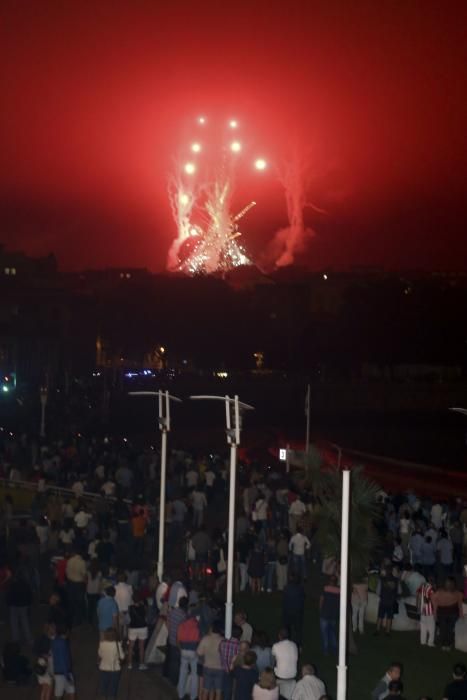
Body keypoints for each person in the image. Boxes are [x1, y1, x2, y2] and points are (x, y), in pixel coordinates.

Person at [432, 577, 464, 651]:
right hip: (449, 613)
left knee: (446, 629)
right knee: (447, 629)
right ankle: (446, 644)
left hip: (447, 613)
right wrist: (435, 613)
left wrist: (435, 614)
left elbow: (460, 605)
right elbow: (460, 605)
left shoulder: (440, 592)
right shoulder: (457, 593)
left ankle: (446, 644)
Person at [177, 609, 201, 700]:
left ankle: (180, 694)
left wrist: (181, 650)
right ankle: (193, 696)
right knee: (195, 674)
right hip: (193, 651)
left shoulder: (182, 624)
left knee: (182, 672)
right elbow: (199, 640)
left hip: (183, 650)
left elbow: (178, 640)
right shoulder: (197, 625)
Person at [197, 620, 223, 700]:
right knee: (218, 692)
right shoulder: (223, 640)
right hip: (220, 669)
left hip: (207, 667)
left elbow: (199, 653)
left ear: (211, 628)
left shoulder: (206, 639)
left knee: (206, 690)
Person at [271, 628, 298, 700]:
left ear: (279, 636)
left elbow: (273, 661)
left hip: (280, 676)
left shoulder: (276, 646)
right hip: (292, 675)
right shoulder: (294, 645)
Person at [98, 628, 124, 700]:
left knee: (104, 685)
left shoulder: (102, 643)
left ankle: (103, 697)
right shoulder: (118, 644)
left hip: (103, 668)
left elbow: (100, 654)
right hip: (114, 668)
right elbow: (122, 656)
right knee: (113, 686)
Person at [51, 624, 75, 700]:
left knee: (61, 694)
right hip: (64, 673)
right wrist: (67, 676)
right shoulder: (62, 643)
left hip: (59, 672)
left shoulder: (55, 641)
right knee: (67, 693)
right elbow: (62, 660)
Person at [220, 625, 242, 700]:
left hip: (224, 669)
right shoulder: (240, 646)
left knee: (226, 691)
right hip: (236, 670)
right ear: (240, 635)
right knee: (235, 691)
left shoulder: (222, 642)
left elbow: (220, 653)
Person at [282, 575, 305, 647]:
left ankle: (286, 644)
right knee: (297, 630)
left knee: (287, 629)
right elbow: (302, 599)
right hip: (297, 612)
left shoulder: (287, 588)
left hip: (288, 612)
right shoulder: (300, 589)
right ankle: (298, 645)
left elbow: (284, 599)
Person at [375, 569, 399, 636]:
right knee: (389, 617)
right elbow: (400, 591)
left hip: (383, 600)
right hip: (391, 601)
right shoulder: (396, 580)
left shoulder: (381, 580)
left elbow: (377, 591)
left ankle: (377, 630)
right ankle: (387, 632)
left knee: (380, 616)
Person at [128, 592, 148, 670]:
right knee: (141, 647)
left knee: (130, 647)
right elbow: (146, 616)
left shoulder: (130, 607)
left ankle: (129, 664)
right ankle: (141, 664)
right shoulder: (144, 607)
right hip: (142, 627)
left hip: (133, 628)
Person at [319, 575, 339, 654]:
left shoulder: (325, 589)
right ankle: (334, 649)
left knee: (324, 634)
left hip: (325, 614)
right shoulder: (339, 590)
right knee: (332, 632)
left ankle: (326, 650)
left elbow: (321, 600)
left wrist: (320, 610)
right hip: (333, 615)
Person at [416, 577, 435, 647]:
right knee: (431, 628)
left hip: (422, 610)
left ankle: (423, 641)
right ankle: (430, 643)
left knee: (423, 627)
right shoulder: (431, 589)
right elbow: (431, 600)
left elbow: (417, 594)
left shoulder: (422, 586)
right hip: (429, 611)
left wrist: (418, 606)